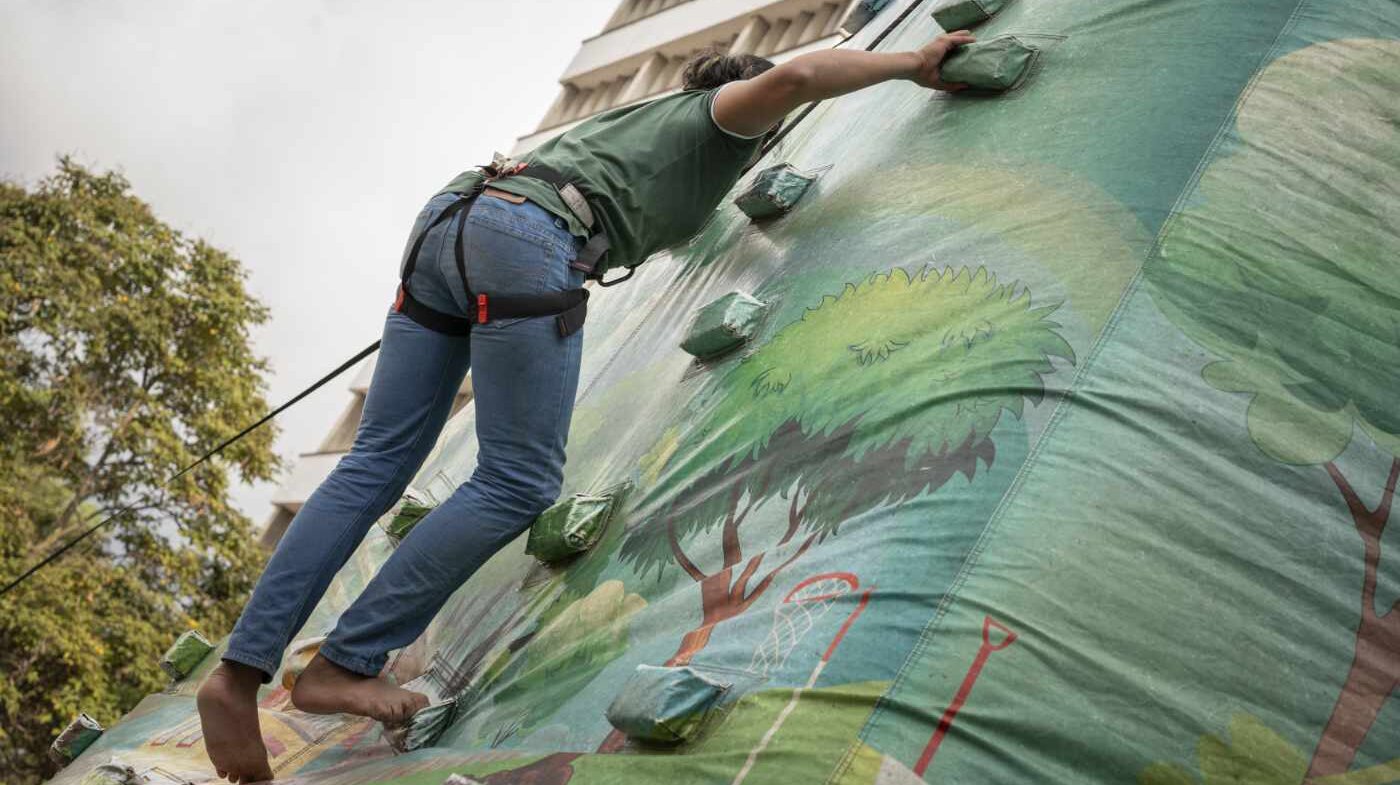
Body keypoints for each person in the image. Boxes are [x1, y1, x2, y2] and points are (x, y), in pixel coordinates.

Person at [196, 29, 976, 784]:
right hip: (524, 235)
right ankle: (344, 663)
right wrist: (914, 62)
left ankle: (238, 671)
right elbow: (795, 79)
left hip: (451, 219)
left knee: (375, 463)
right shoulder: (724, 117)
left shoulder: (629, 135)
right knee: (517, 481)